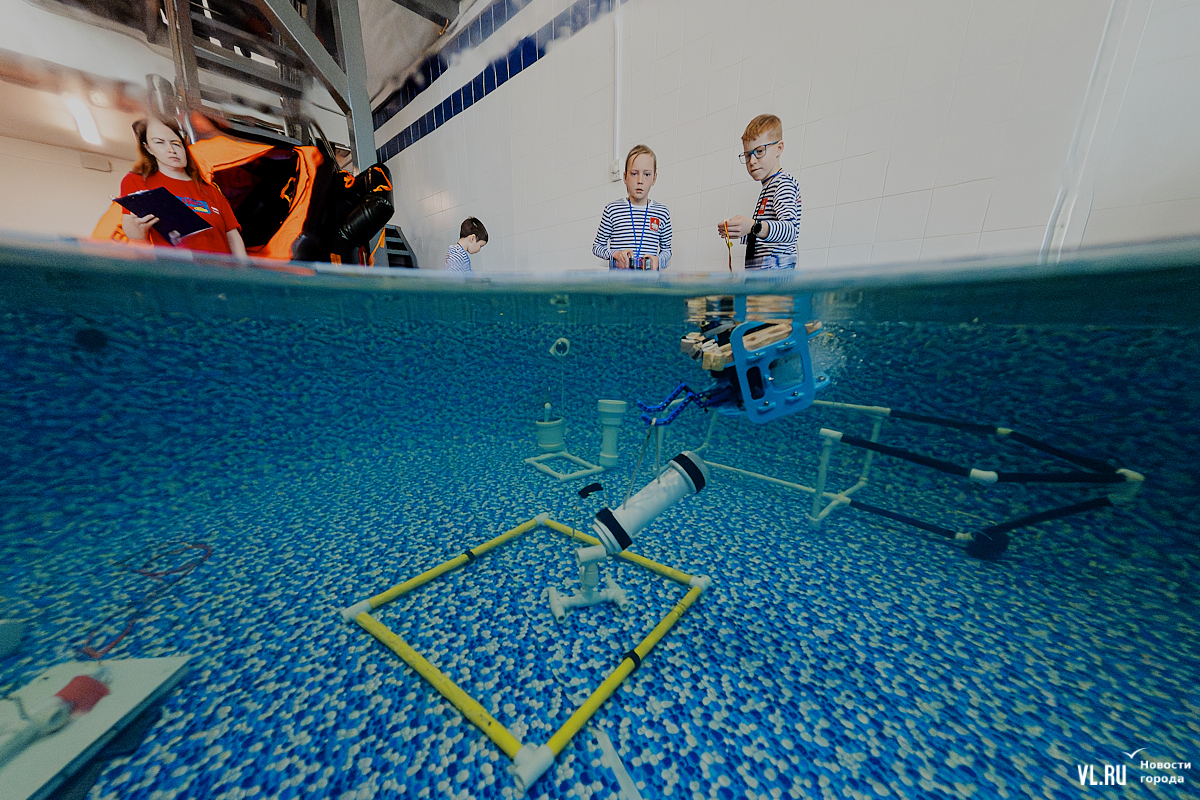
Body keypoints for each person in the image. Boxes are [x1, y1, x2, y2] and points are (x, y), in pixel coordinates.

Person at [119, 117, 247, 257]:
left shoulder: (210, 191)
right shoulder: (138, 181)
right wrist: (140, 238)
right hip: (176, 267)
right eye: (160, 142)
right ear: (148, 148)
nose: (171, 150)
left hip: (219, 268)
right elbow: (133, 230)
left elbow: (233, 237)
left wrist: (243, 268)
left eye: (176, 144)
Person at [717, 114, 800, 271]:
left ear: (779, 148)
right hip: (762, 277)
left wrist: (753, 226)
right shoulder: (768, 187)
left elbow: (790, 230)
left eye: (760, 151)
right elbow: (764, 236)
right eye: (747, 155)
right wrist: (740, 230)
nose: (752, 161)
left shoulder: (783, 183)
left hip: (775, 279)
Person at [593, 144, 672, 270]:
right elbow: (597, 246)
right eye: (634, 174)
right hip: (619, 281)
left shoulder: (662, 212)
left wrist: (658, 261)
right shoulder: (612, 210)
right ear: (625, 177)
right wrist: (615, 254)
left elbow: (667, 250)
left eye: (647, 174)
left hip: (649, 281)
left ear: (654, 178)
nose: (640, 180)